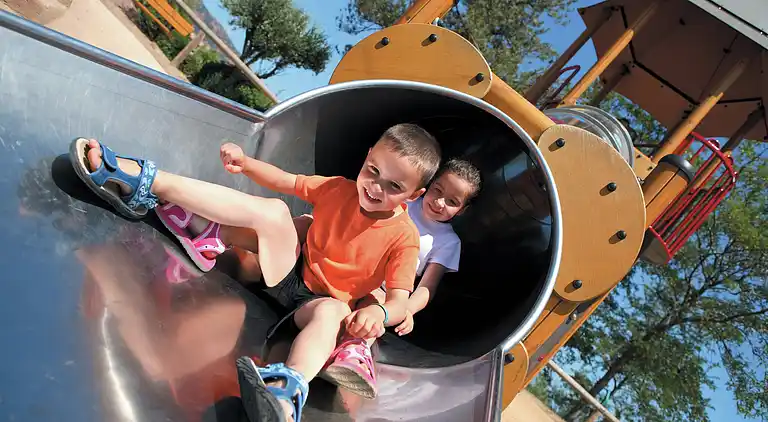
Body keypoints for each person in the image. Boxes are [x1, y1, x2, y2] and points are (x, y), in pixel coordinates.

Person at [68, 122, 441, 422]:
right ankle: (145, 182)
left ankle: (285, 395)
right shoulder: (338, 189)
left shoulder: (403, 237)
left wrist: (380, 313)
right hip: (289, 273)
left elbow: (400, 300)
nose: (376, 187)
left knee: (333, 312)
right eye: (373, 171)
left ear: (414, 195)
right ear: (367, 156)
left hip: (317, 306)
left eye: (394, 186)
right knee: (276, 212)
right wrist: (246, 163)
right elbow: (287, 181)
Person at [318, 158, 482, 399]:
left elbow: (427, 286)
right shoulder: (405, 201)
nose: (439, 202)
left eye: (452, 202)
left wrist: (408, 309)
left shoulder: (447, 242)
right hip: (353, 264)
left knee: (375, 307)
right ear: (428, 185)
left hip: (385, 288)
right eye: (438, 190)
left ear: (462, 210)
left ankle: (355, 351)